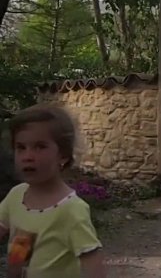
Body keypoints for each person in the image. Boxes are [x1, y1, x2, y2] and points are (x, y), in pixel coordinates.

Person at [0, 103, 107, 278]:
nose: (28, 156)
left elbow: (92, 260)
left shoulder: (71, 209)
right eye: (21, 147)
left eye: (40, 147)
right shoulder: (16, 195)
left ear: (63, 155)